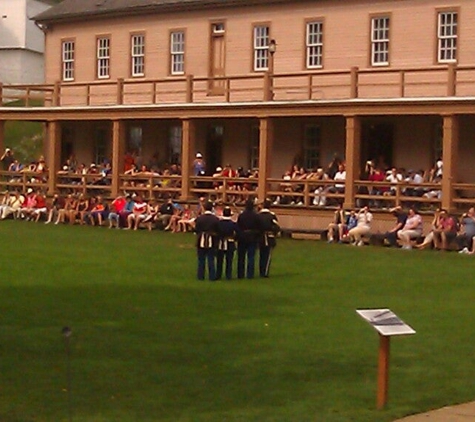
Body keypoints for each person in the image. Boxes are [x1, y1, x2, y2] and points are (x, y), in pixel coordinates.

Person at [194, 201, 219, 281]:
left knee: (201, 259)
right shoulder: (215, 219)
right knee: (211, 259)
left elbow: (197, 229)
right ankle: (212, 276)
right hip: (212, 239)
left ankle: (200, 276)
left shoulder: (200, 218)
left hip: (201, 238)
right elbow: (217, 230)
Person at [237, 199, 260, 278]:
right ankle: (250, 274)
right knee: (251, 257)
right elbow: (258, 227)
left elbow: (238, 227)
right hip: (252, 237)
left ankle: (240, 274)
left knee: (241, 257)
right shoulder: (256, 216)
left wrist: (239, 236)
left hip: (242, 236)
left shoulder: (242, 215)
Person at [257, 199, 280, 278]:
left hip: (260, 237)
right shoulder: (272, 215)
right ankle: (265, 272)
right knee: (267, 256)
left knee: (261, 255)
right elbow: (276, 226)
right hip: (269, 237)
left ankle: (261, 271)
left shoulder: (258, 215)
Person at [216, 206, 238, 280]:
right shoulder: (233, 224)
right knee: (229, 260)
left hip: (220, 242)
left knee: (220, 260)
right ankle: (228, 275)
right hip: (230, 242)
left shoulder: (219, 223)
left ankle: (218, 275)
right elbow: (237, 233)